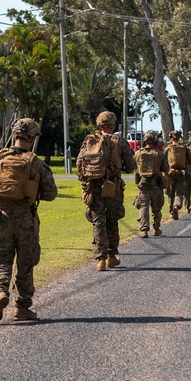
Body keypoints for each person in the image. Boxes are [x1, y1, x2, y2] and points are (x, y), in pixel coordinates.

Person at [0, 118, 58, 323]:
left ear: (14, 135)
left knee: (0, 260)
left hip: (1, 218)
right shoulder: (36, 163)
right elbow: (51, 193)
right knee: (25, 263)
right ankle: (22, 307)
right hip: (26, 220)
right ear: (32, 138)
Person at [77, 111, 137, 272]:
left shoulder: (90, 141)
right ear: (114, 125)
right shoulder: (119, 141)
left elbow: (79, 164)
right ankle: (111, 255)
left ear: (98, 125)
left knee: (98, 221)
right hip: (112, 186)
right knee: (112, 220)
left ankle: (100, 259)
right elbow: (131, 166)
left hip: (93, 186)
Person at [134, 130, 169, 237]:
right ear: (155, 141)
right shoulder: (159, 154)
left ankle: (144, 229)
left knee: (144, 206)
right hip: (156, 184)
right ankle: (156, 228)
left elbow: (134, 166)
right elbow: (165, 168)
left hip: (142, 184)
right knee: (156, 207)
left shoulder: (138, 153)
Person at [164, 130, 191, 220]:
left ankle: (171, 211)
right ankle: (176, 206)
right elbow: (190, 160)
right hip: (181, 173)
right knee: (179, 193)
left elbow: (162, 161)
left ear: (171, 138)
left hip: (170, 173)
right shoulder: (184, 148)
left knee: (170, 193)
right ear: (179, 138)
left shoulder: (168, 149)